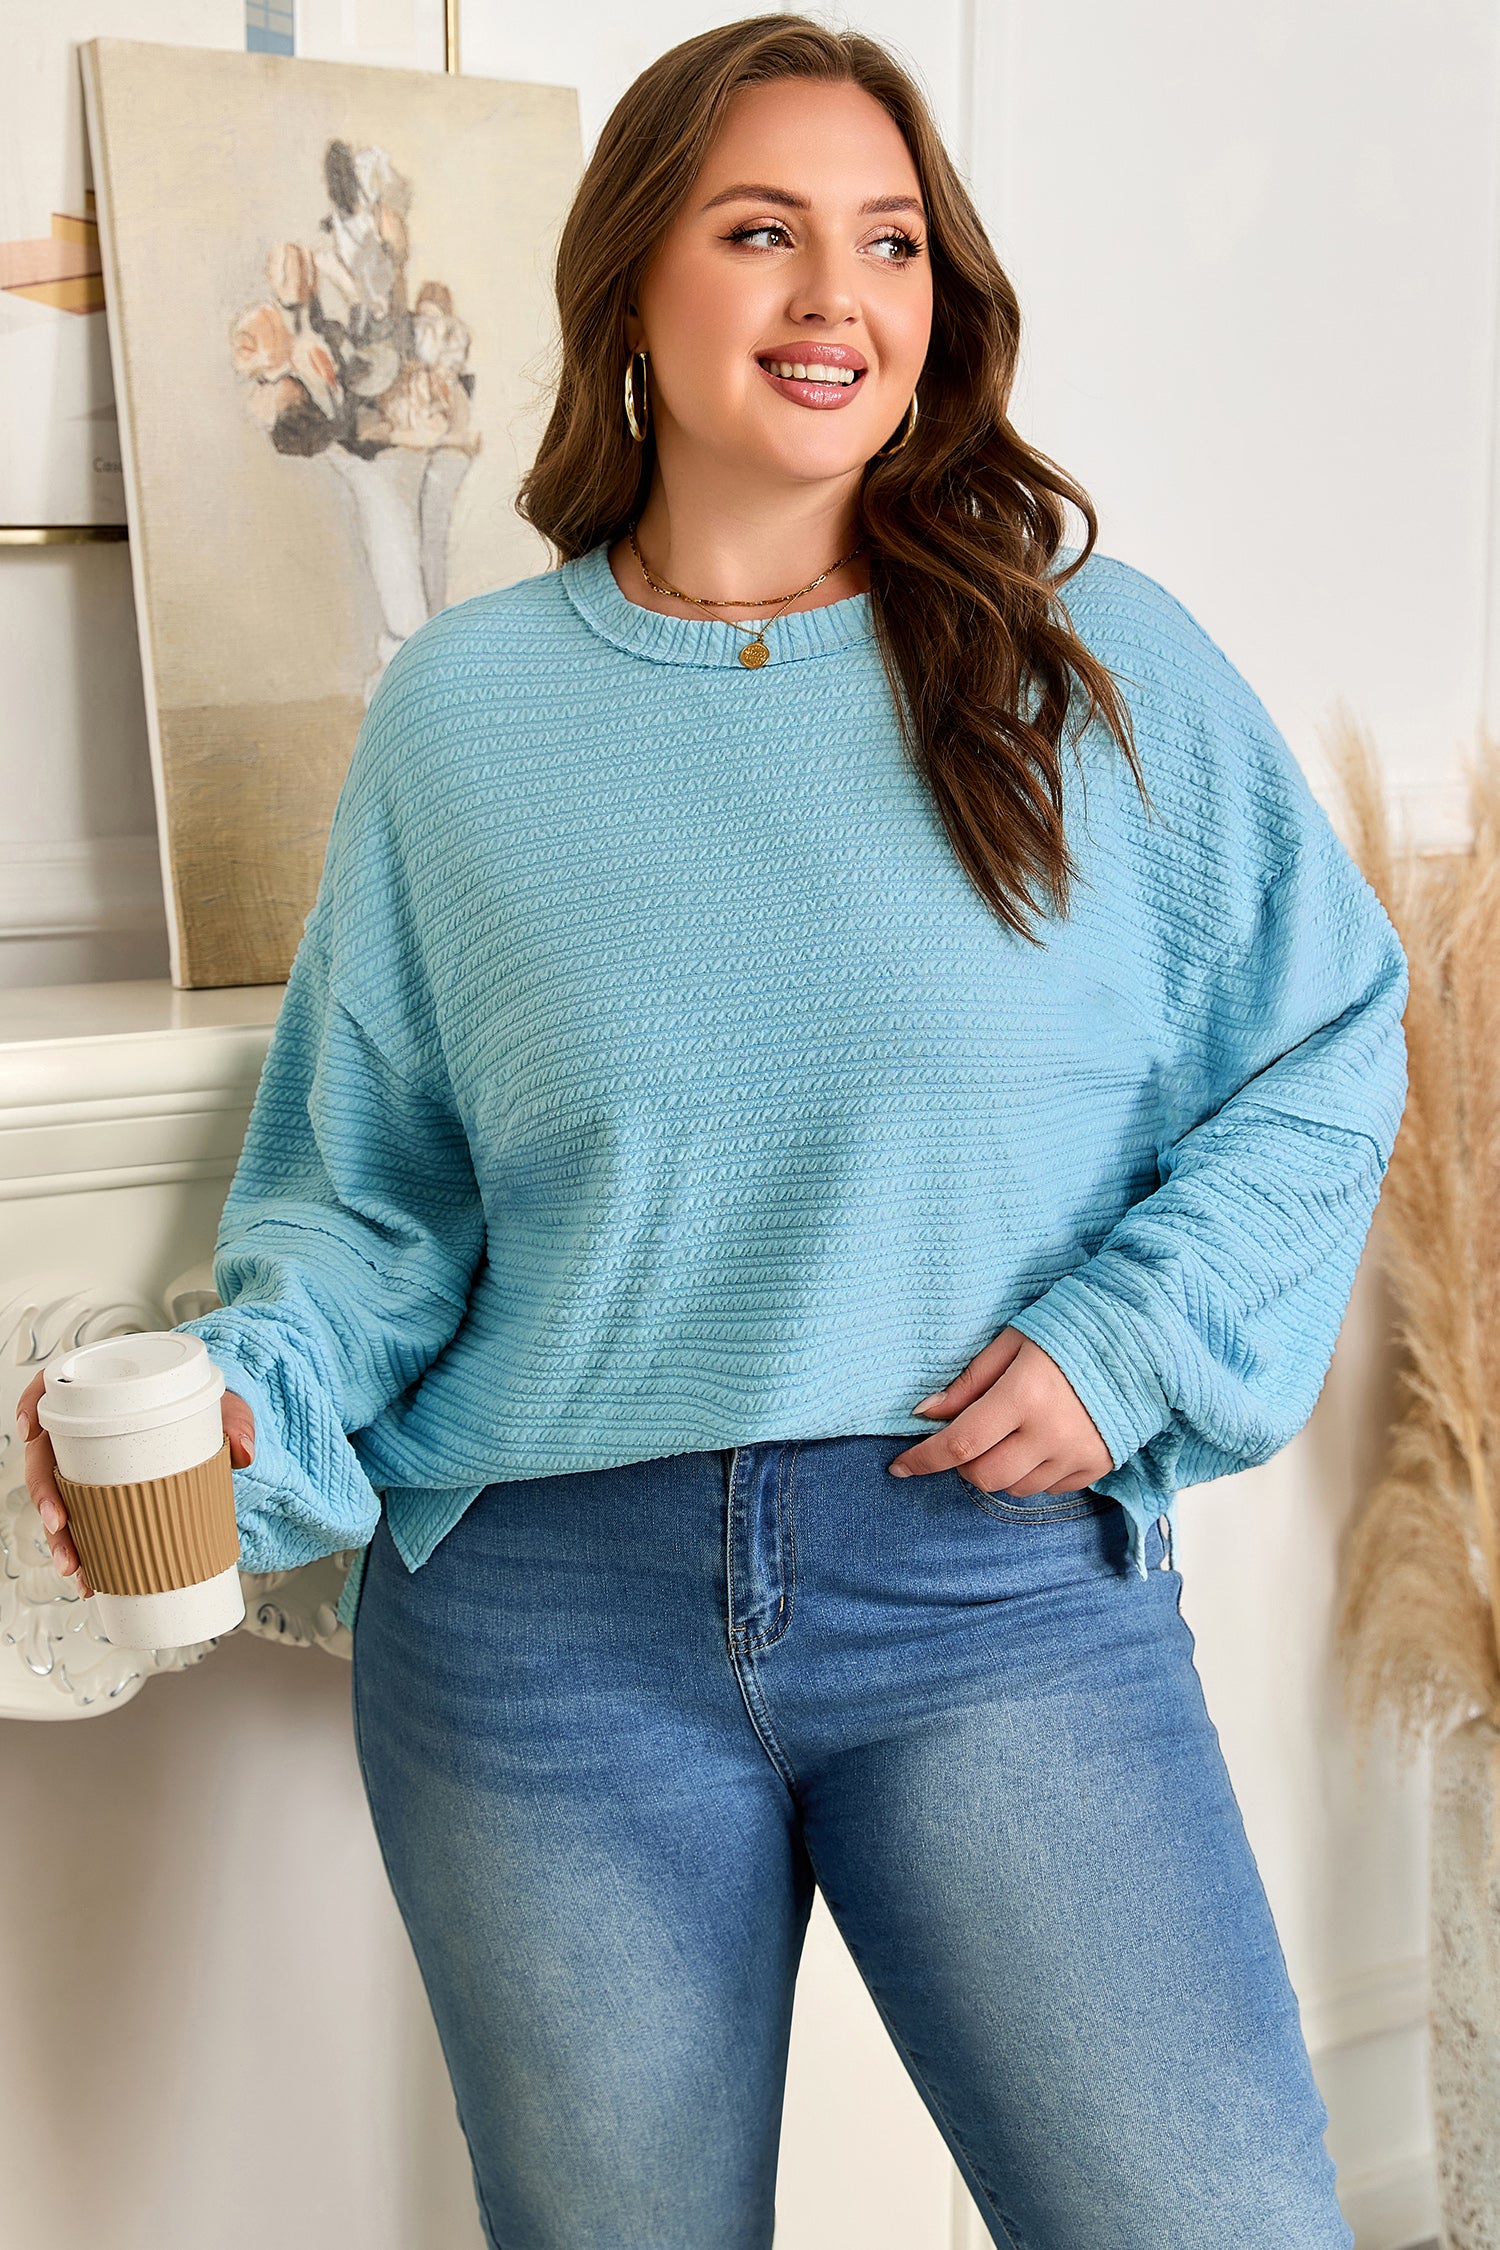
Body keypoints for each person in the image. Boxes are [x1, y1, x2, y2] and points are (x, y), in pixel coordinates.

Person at [19, 16, 1407, 2247]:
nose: (837, 296)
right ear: (631, 291)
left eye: (890, 243)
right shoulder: (464, 717)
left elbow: (1328, 1036)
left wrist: (1131, 1342)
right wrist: (234, 1417)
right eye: (763, 232)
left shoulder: (1087, 668)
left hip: (985, 1585)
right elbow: (372, 1210)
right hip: (539, 1629)